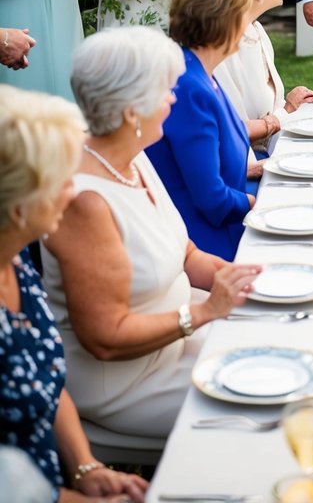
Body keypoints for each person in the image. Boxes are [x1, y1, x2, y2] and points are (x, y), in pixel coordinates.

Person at [41, 27, 260, 442]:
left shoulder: (134, 155)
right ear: (130, 111)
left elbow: (186, 252)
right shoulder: (84, 202)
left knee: (274, 339)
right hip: (125, 380)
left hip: (178, 340)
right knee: (259, 406)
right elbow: (104, 338)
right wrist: (205, 312)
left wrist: (249, 279)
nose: (173, 98)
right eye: (164, 90)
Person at [0, 85, 147, 502]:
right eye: (62, 179)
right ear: (19, 208)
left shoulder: (14, 261)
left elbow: (46, 378)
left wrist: (85, 468)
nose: (75, 187)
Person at [144, 0, 256, 256]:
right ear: (226, 19)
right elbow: (212, 200)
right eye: (245, 12)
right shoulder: (189, 88)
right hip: (204, 243)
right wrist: (260, 203)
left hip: (221, 225)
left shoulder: (199, 71)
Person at [216, 0, 313, 170]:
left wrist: (290, 107)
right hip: (243, 168)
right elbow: (230, 133)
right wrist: (286, 112)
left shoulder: (256, 30)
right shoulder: (220, 45)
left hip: (270, 152)